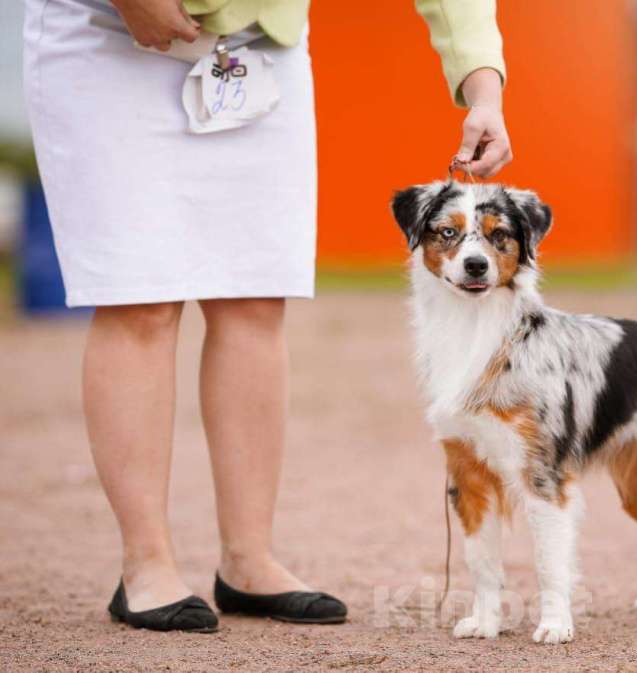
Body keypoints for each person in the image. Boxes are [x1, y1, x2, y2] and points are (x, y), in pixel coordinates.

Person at [22, 0, 511, 632]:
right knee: (140, 297)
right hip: (112, 37)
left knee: (255, 296)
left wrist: (482, 86)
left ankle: (248, 560)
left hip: (260, 53)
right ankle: (146, 565)